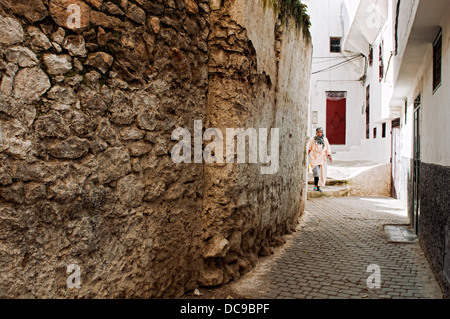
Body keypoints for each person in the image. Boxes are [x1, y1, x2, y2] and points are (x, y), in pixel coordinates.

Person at [307, 127, 332, 192]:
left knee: (321, 173)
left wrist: (329, 155)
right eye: (318, 132)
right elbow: (309, 148)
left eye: (321, 132)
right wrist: (307, 156)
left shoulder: (324, 139)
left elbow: (327, 147)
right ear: (316, 132)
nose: (319, 134)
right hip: (314, 157)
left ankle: (318, 186)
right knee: (316, 172)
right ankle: (315, 185)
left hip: (322, 158)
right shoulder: (312, 139)